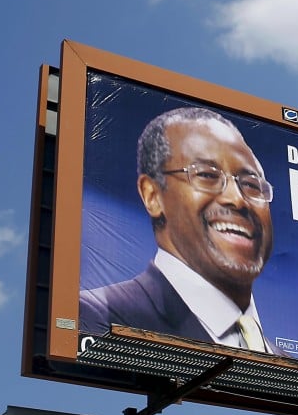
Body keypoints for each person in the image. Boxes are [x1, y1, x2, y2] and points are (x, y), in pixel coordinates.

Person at [79, 106, 278, 353]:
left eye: (251, 184)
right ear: (152, 195)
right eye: (206, 175)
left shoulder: (288, 365)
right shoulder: (99, 315)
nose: (236, 199)